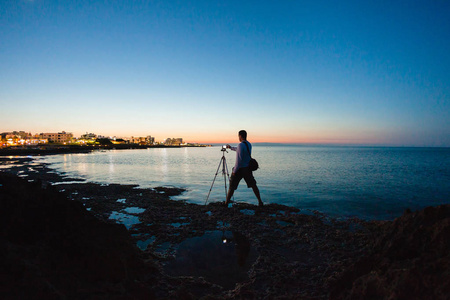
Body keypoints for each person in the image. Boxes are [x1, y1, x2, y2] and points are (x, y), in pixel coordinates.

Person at [225, 130, 263, 207]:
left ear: (240, 136)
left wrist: (234, 171)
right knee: (253, 185)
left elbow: (239, 160)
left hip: (240, 169)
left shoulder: (240, 145)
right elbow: (240, 150)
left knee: (232, 186)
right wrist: (231, 148)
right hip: (248, 168)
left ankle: (226, 203)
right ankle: (260, 202)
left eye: (238, 136)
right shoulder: (248, 144)